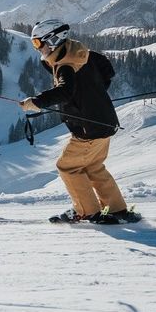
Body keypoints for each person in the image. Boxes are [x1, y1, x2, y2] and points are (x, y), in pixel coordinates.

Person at [20, 20, 138, 224]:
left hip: (88, 129)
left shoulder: (66, 66)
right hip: (105, 123)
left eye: (38, 43)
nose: (38, 49)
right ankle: (117, 209)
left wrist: (37, 102)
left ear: (53, 40)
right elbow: (107, 71)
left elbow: (65, 91)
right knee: (93, 167)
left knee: (67, 166)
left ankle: (87, 211)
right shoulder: (82, 54)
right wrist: (93, 95)